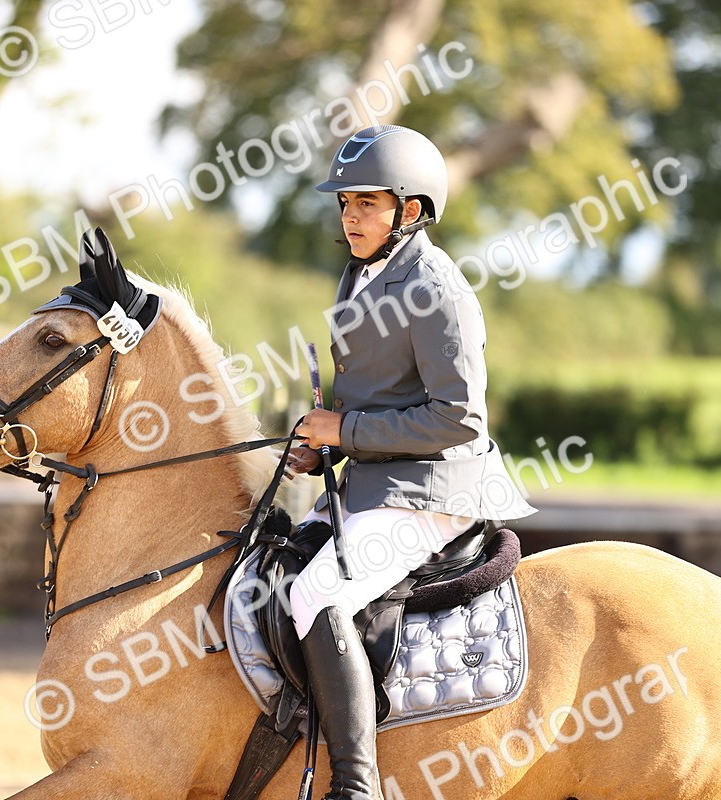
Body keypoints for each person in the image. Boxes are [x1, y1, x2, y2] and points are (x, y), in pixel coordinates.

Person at [286, 125, 536, 800]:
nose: (351, 216)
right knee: (269, 559)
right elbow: (379, 393)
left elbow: (459, 417)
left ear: (412, 210)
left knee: (318, 596)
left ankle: (356, 785)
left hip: (435, 490)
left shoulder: (437, 287)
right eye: (345, 204)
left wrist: (349, 429)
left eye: (367, 203)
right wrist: (325, 442)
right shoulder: (362, 272)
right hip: (375, 480)